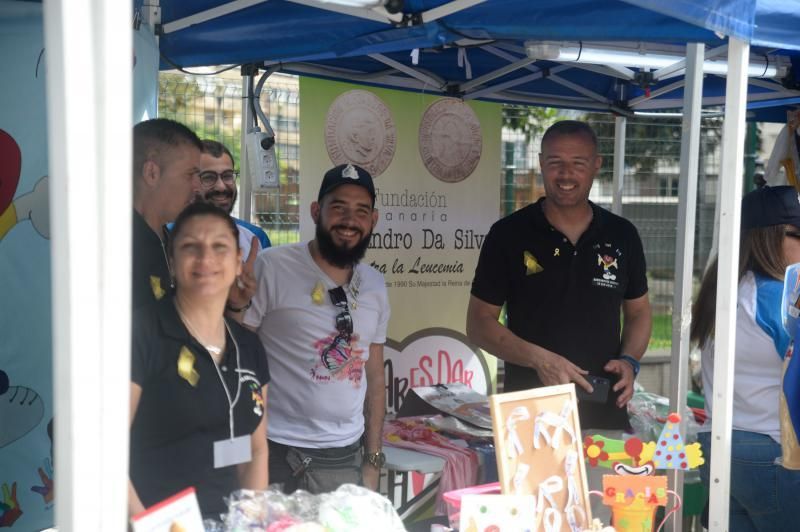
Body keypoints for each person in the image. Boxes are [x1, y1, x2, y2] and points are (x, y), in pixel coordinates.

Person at [466, 120, 651, 522]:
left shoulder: (622, 235)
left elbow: (638, 313)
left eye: (578, 163)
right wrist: (537, 359)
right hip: (531, 421)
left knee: (607, 523)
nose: (566, 174)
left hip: (607, 417)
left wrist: (630, 361)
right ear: (540, 164)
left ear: (597, 165)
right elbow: (479, 323)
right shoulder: (509, 235)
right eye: (555, 163)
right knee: (539, 523)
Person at [239, 163, 389, 494]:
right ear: (315, 211)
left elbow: (375, 378)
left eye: (361, 211)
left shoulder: (375, 285)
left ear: (373, 221)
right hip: (277, 450)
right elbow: (238, 350)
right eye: (339, 208)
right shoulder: (272, 266)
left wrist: (372, 458)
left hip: (345, 457)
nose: (350, 221)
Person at [128, 202, 269, 518]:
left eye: (219, 247)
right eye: (191, 247)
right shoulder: (141, 334)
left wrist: (252, 518)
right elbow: (105, 447)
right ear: (172, 261)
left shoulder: (248, 346)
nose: (206, 259)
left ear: (237, 263)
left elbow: (255, 449)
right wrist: (146, 525)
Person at [692, 185, 800, 531]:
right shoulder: (776, 295)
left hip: (720, 444)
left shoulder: (724, 289)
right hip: (768, 450)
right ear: (771, 237)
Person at [132, 118, 203, 309]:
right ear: (151, 173)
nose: (198, 186)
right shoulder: (115, 250)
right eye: (190, 174)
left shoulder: (171, 243)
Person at [199, 139, 272, 260]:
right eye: (209, 178)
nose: (221, 187)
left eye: (227, 176)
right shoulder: (168, 236)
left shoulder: (255, 238)